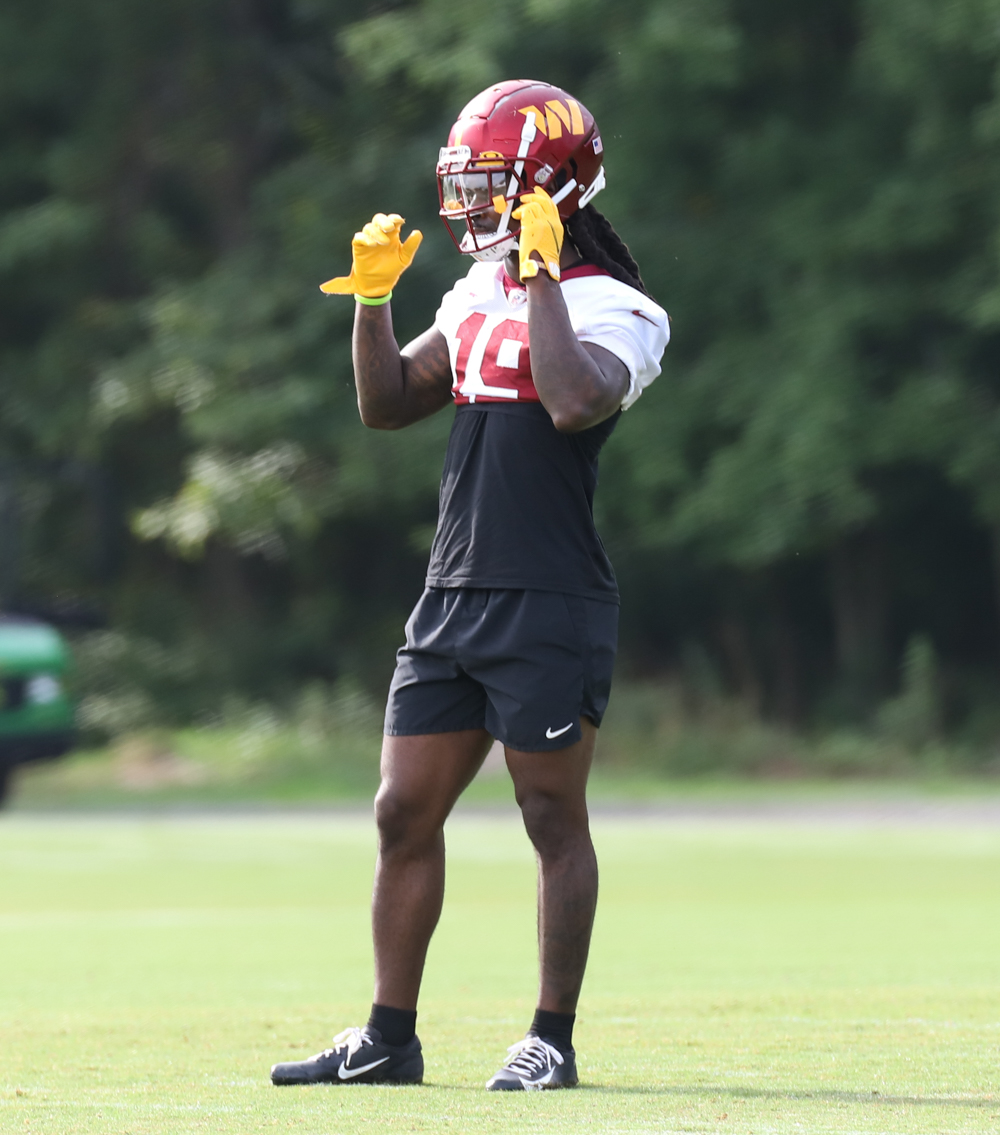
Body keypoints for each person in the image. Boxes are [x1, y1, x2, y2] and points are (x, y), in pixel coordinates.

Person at [270, 79, 668, 1092]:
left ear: (552, 188)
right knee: (402, 811)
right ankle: (388, 1036)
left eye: (495, 186)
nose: (477, 206)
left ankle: (550, 1037)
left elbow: (574, 401)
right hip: (453, 592)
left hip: (547, 595)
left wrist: (539, 277)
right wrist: (371, 300)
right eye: (469, 187)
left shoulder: (620, 308)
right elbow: (388, 402)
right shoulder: (477, 290)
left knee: (549, 819)